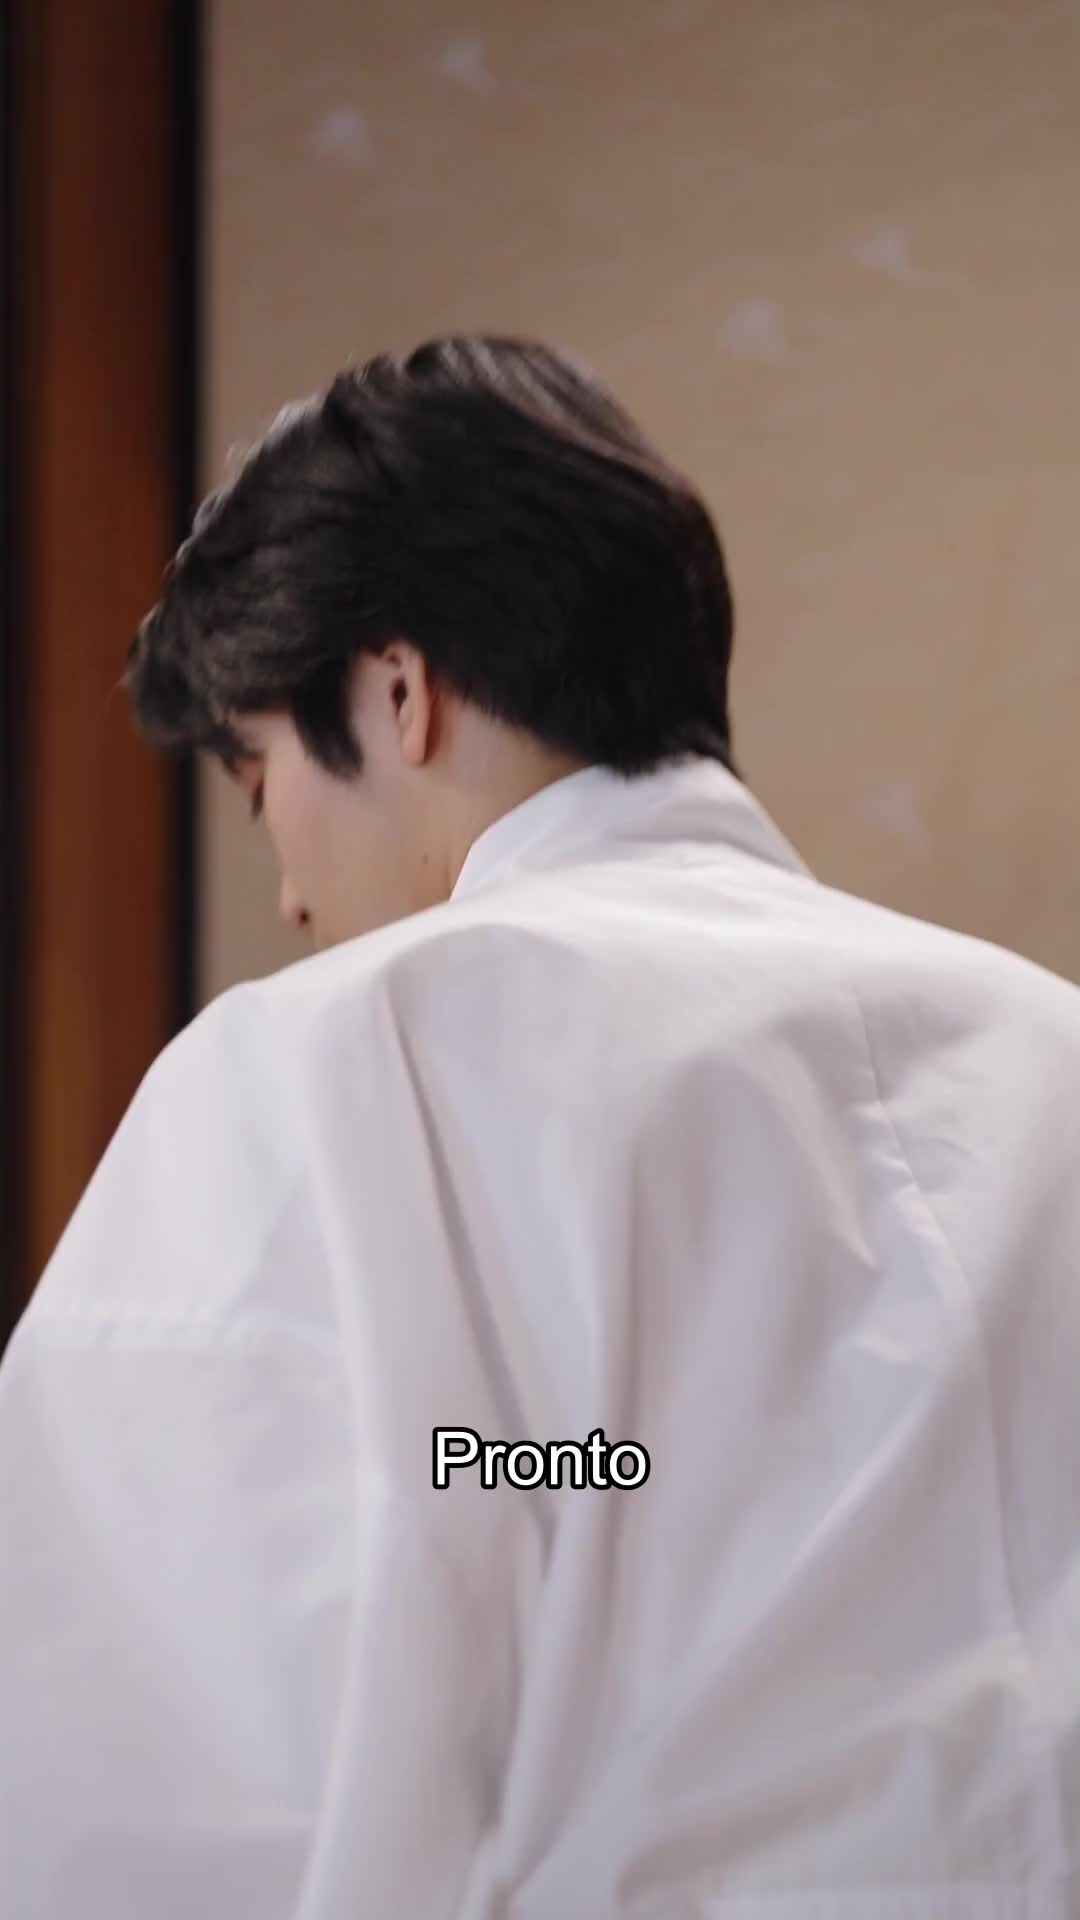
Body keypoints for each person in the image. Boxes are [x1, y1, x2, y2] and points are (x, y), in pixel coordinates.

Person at [1, 336, 1077, 1920]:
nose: (288, 890)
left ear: (395, 691)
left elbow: (134, 1804)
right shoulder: (1053, 1053)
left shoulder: (335, 1069)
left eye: (259, 781)